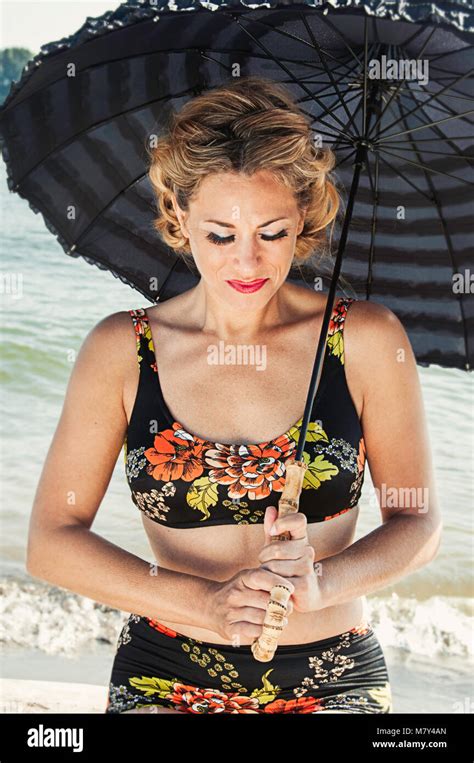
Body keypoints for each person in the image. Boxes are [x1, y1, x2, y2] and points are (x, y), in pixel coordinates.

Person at [26, 76, 442, 715]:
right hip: (164, 665)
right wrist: (207, 605)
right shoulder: (123, 350)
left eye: (271, 233)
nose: (247, 263)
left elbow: (419, 523)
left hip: (334, 673)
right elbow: (51, 541)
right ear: (178, 216)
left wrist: (322, 581)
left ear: (303, 217)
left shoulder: (364, 339)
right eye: (221, 234)